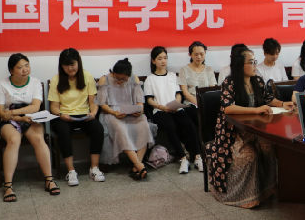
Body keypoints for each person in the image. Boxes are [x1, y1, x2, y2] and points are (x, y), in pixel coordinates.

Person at [206, 48, 294, 208]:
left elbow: (268, 99)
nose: (255, 65)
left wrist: (282, 104)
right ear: (240, 65)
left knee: (268, 147)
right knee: (249, 156)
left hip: (256, 128)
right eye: (251, 62)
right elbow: (228, 108)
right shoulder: (229, 83)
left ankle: (268, 189)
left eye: (255, 61)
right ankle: (247, 197)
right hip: (233, 132)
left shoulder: (257, 80)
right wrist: (256, 110)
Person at [0, 53, 58, 202]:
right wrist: (18, 117)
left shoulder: (35, 82)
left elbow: (35, 107)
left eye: (27, 65)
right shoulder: (1, 84)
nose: (25, 70)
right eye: (20, 67)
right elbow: (1, 113)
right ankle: (8, 186)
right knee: (14, 140)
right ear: (11, 70)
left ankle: (49, 180)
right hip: (10, 121)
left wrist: (13, 112)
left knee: (38, 139)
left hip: (30, 118)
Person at [49, 48, 105, 186]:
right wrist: (61, 115)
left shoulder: (87, 76)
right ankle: (71, 171)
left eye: (72, 64)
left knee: (98, 128)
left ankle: (94, 168)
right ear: (61, 66)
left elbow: (93, 102)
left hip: (84, 114)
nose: (70, 68)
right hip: (64, 115)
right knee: (62, 131)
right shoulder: (56, 79)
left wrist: (93, 113)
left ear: (78, 63)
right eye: (66, 65)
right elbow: (53, 107)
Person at [144, 46, 203, 174]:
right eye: (159, 58)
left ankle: (198, 156)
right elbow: (149, 100)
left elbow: (178, 94)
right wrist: (162, 107)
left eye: (165, 58)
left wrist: (176, 103)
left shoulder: (172, 76)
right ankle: (183, 158)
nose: (163, 61)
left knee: (189, 124)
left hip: (175, 108)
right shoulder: (150, 79)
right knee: (170, 126)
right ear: (153, 61)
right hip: (159, 111)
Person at [97, 58, 153, 180]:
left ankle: (136, 166)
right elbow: (102, 104)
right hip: (111, 113)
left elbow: (140, 102)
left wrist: (139, 110)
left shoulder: (134, 78)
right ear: (113, 73)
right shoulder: (104, 80)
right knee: (120, 128)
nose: (119, 81)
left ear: (129, 75)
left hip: (130, 111)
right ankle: (139, 165)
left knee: (143, 124)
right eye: (117, 78)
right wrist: (114, 112)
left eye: (123, 79)